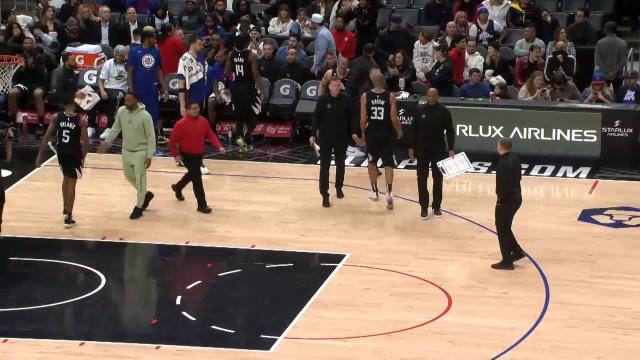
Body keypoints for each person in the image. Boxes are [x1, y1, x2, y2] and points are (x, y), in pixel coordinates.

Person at [98, 92, 156, 220]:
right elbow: (115, 128)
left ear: (136, 100)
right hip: (126, 150)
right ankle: (146, 195)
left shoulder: (145, 116)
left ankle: (139, 207)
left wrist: (149, 155)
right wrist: (106, 142)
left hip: (141, 152)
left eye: (129, 101)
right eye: (125, 100)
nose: (126, 103)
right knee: (128, 176)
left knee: (140, 180)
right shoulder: (121, 111)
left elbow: (151, 137)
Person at [35, 97, 89, 228]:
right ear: (74, 105)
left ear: (64, 106)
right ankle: (69, 217)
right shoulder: (81, 120)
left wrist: (39, 156)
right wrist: (84, 157)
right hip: (74, 153)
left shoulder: (55, 117)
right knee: (72, 183)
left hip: (61, 152)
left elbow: (46, 137)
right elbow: (86, 143)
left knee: (65, 178)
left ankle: (65, 207)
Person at [169, 102, 226, 213]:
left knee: (192, 174)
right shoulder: (180, 124)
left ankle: (178, 187)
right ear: (187, 110)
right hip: (187, 156)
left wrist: (219, 147)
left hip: (199, 155)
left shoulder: (203, 121)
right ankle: (202, 205)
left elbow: (210, 134)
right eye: (193, 108)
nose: (196, 110)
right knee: (197, 179)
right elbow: (171, 142)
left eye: (197, 108)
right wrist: (176, 156)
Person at [310, 76, 357, 207]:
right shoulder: (323, 99)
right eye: (334, 85)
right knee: (324, 166)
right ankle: (325, 195)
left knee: (340, 164)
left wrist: (353, 133)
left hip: (341, 137)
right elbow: (315, 118)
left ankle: (339, 187)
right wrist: (312, 134)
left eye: (338, 85)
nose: (336, 88)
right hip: (325, 137)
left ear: (340, 86)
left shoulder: (347, 99)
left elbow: (352, 117)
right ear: (329, 86)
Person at [359, 72, 403, 210]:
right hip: (386, 133)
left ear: (372, 82)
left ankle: (375, 191)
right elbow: (394, 118)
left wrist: (363, 132)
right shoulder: (390, 96)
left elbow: (362, 119)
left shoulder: (365, 96)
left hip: (372, 133)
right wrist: (399, 131)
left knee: (371, 162)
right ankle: (389, 192)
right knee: (388, 163)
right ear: (383, 82)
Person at [409, 88, 454, 219]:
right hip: (422, 150)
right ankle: (423, 207)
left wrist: (451, 148)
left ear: (437, 96)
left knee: (438, 178)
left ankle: (437, 206)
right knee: (421, 178)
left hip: (438, 150)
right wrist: (411, 147)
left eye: (434, 96)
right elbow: (413, 130)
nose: (431, 98)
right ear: (426, 96)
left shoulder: (444, 112)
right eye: (429, 96)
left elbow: (450, 131)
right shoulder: (419, 110)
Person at [492, 138, 525, 270]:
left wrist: (500, 199)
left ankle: (507, 261)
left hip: (507, 200)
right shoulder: (515, 159)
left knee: (501, 228)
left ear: (500, 147)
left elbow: (503, 185)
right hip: (517, 197)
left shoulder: (503, 163)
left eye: (497, 145)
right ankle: (517, 252)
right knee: (505, 227)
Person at [127, 26, 166, 138]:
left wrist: (164, 86)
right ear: (147, 38)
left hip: (152, 88)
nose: (156, 39)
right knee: (137, 113)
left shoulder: (156, 51)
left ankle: (153, 136)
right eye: (154, 37)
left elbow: (159, 70)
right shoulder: (134, 51)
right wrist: (130, 88)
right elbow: (130, 72)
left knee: (153, 113)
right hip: (138, 88)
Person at [226, 32, 261, 153]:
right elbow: (256, 75)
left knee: (239, 117)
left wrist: (233, 82)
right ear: (247, 42)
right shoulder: (251, 55)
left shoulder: (231, 54)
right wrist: (262, 89)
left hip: (236, 88)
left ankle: (240, 138)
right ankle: (246, 137)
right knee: (255, 115)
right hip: (248, 88)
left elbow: (227, 72)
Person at [98, 45, 128, 140]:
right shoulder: (108, 63)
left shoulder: (128, 65)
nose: (119, 57)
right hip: (107, 87)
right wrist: (102, 92)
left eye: (121, 56)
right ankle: (91, 126)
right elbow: (101, 80)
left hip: (121, 89)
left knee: (116, 98)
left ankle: (110, 128)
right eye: (117, 55)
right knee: (93, 97)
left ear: (125, 56)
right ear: (114, 54)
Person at [594, 22, 628, 91]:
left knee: (602, 95)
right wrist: (614, 72)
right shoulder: (623, 43)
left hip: (603, 74)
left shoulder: (600, 43)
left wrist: (608, 72)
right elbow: (623, 60)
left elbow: (597, 60)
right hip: (618, 75)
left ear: (607, 29)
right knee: (618, 96)